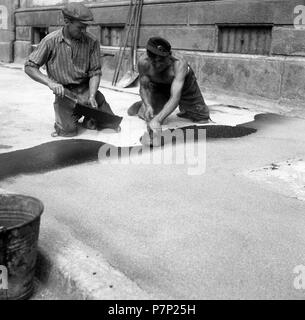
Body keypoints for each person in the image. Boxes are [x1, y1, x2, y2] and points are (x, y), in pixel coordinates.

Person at [25, 2, 118, 137]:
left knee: (111, 124)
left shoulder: (92, 42)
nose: (84, 31)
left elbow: (95, 72)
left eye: (85, 27)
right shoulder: (50, 41)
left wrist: (92, 95)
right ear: (67, 21)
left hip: (86, 90)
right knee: (68, 132)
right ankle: (68, 119)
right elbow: (29, 66)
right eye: (80, 27)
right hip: (65, 94)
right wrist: (50, 83)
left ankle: (88, 117)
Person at [128, 37, 210, 133]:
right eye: (154, 62)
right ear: (148, 58)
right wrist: (147, 105)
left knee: (202, 118)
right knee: (152, 116)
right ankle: (143, 106)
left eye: (161, 61)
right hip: (158, 85)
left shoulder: (179, 64)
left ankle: (187, 109)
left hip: (183, 85)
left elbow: (175, 97)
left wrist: (158, 120)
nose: (158, 65)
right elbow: (144, 88)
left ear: (169, 56)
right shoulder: (143, 62)